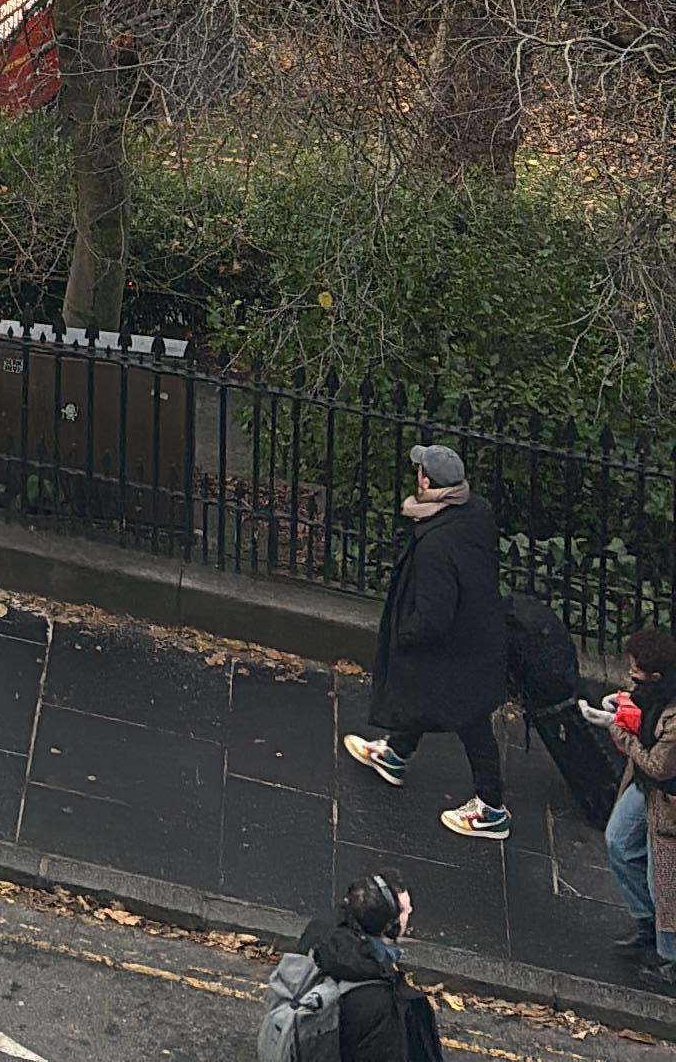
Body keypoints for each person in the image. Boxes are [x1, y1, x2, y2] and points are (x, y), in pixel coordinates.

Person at [344, 441, 510, 841]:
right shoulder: (476, 511)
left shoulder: (436, 543)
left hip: (459, 645)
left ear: (427, 481)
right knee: (423, 689)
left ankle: (492, 809)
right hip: (478, 632)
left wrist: (407, 635)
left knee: (471, 720)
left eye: (419, 471)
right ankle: (396, 754)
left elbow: (435, 614)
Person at [278, 877, 443, 1062]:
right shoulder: (381, 998)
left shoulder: (319, 939)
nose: (410, 911)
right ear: (391, 926)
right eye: (404, 910)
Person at [593, 625, 676, 983]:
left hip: (667, 799)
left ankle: (669, 957)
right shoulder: (655, 690)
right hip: (645, 787)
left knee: (663, 876)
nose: (630, 673)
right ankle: (647, 923)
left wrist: (617, 729)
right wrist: (622, 703)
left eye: (636, 668)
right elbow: (641, 703)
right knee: (619, 842)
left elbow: (659, 765)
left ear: (656, 675)